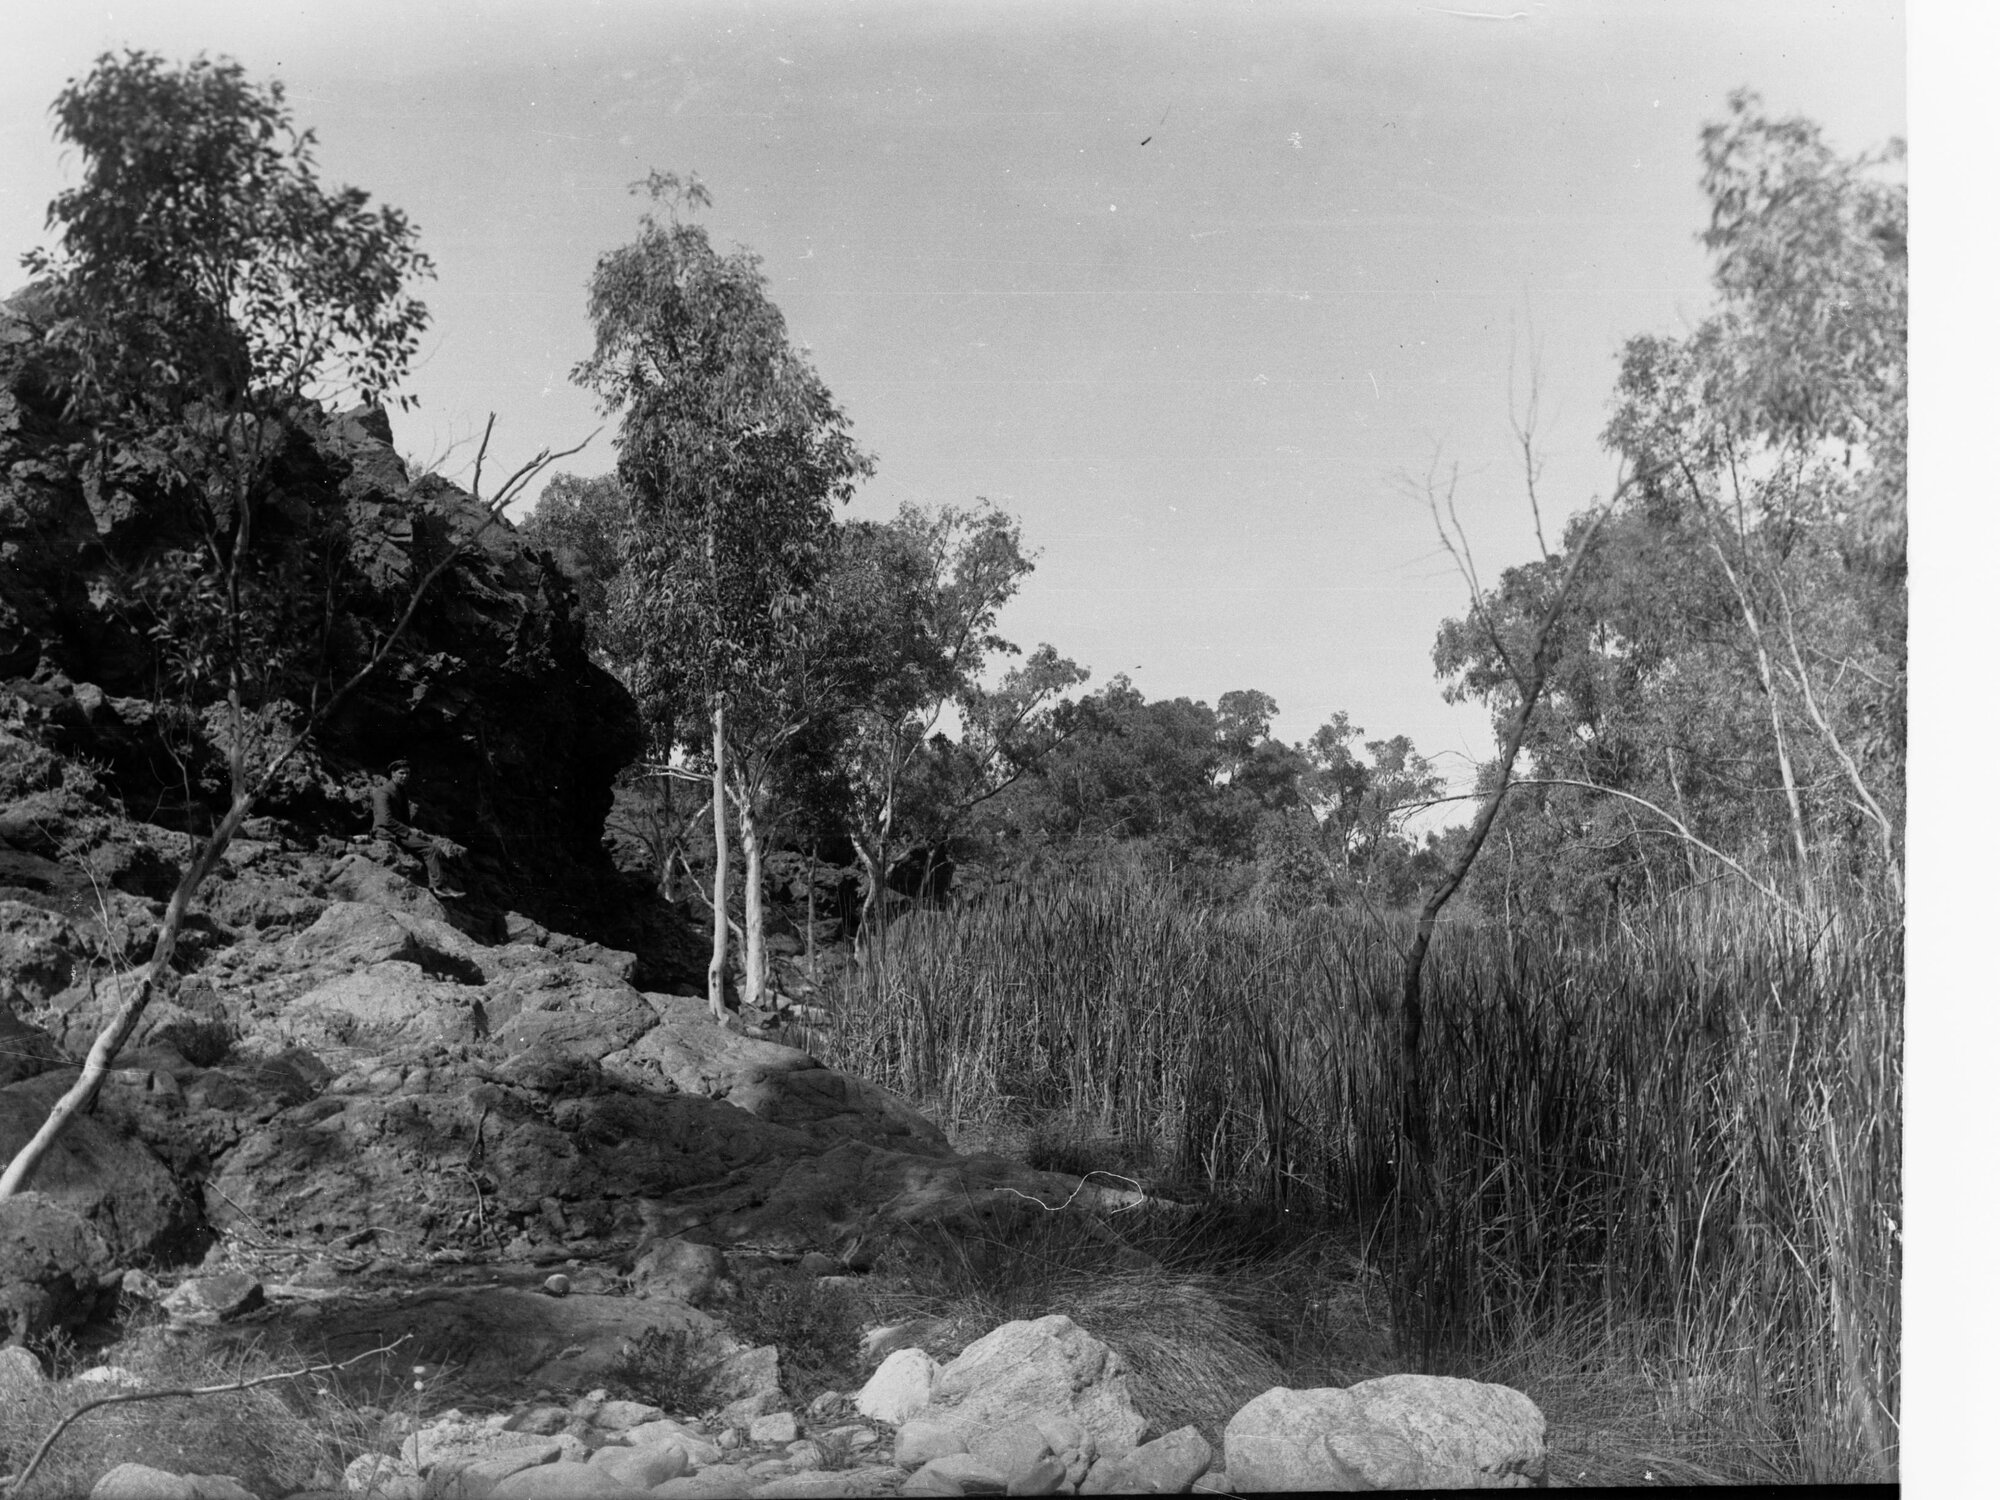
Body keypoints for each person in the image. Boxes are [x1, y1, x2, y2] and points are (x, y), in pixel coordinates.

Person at [369, 761, 467, 898]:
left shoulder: (401, 791)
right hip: (385, 832)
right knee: (430, 849)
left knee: (435, 846)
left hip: (398, 830)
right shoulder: (383, 792)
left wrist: (414, 830)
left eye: (407, 773)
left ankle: (440, 883)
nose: (405, 776)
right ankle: (438, 888)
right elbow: (385, 820)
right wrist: (409, 831)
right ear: (393, 774)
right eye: (401, 773)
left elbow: (403, 820)